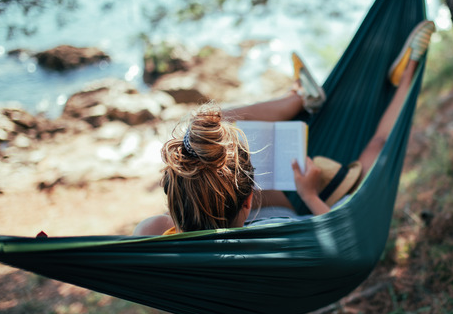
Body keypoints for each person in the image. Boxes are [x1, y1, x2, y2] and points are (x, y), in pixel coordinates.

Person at [134, 20, 435, 235]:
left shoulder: (155, 232)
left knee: (208, 128)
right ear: (250, 199)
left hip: (223, 213)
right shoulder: (280, 234)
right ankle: (405, 74)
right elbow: (344, 237)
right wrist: (309, 195)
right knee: (378, 145)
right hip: (295, 205)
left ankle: (301, 98)